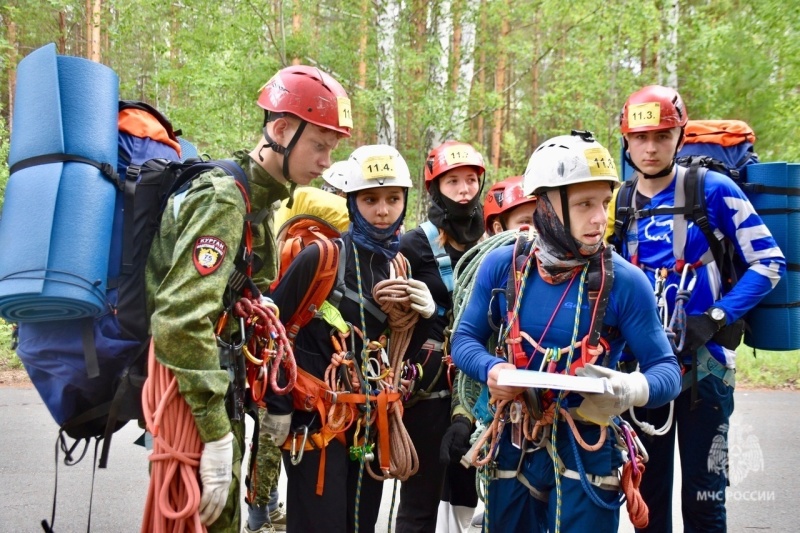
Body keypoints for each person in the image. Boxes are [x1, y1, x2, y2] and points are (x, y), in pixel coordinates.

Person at [144, 64, 352, 533]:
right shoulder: (225, 198)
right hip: (197, 407)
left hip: (219, 391)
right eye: (319, 145)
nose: (325, 161)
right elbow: (179, 318)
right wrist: (216, 435)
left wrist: (255, 301)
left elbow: (221, 296)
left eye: (331, 149)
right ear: (280, 130)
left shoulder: (259, 201)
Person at [451, 130, 681, 532]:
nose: (599, 218)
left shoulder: (624, 282)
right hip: (516, 440)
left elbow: (667, 371)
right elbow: (464, 339)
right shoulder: (506, 267)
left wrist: (631, 389)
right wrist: (492, 369)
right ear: (547, 207)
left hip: (587, 446)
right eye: (584, 204)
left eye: (604, 203)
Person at [609, 85, 786, 532]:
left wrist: (717, 316)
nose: (651, 148)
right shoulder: (618, 203)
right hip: (642, 374)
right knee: (648, 505)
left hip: (707, 373)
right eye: (641, 137)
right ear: (626, 141)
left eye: (662, 136)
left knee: (706, 500)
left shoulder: (714, 190)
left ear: (680, 137)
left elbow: (769, 262)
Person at [267, 144, 436, 533]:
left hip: (369, 426)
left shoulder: (398, 265)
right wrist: (278, 405)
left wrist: (426, 318)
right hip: (316, 425)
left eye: (393, 199)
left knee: (361, 525)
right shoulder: (321, 258)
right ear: (351, 201)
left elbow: (399, 348)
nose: (382, 210)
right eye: (370, 199)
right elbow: (273, 329)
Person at [395, 141, 486, 533]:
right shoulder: (413, 246)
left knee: (467, 493)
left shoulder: (489, 246)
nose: (465, 190)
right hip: (428, 392)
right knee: (421, 499)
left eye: (471, 181)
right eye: (453, 182)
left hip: (473, 386)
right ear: (435, 189)